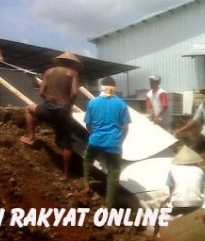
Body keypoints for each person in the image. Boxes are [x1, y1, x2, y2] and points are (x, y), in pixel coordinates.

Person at [20, 52, 82, 180]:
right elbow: (75, 93)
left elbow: (41, 91)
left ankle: (31, 137)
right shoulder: (72, 73)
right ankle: (66, 174)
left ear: (59, 61)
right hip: (63, 110)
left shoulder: (49, 72)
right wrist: (69, 105)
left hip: (47, 108)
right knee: (67, 143)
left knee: (28, 109)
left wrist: (47, 100)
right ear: (72, 63)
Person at [82, 76, 131, 209]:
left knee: (87, 159)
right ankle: (109, 207)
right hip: (113, 145)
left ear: (101, 87)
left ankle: (86, 184)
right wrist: (119, 141)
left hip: (95, 141)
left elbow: (88, 124)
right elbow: (126, 127)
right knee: (113, 176)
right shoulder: (121, 104)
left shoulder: (92, 103)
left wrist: (94, 135)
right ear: (113, 88)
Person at [165, 145, 205, 214]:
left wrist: (169, 201)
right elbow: (202, 191)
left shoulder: (173, 170)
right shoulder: (200, 171)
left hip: (179, 204)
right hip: (197, 204)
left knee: (164, 209)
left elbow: (172, 190)